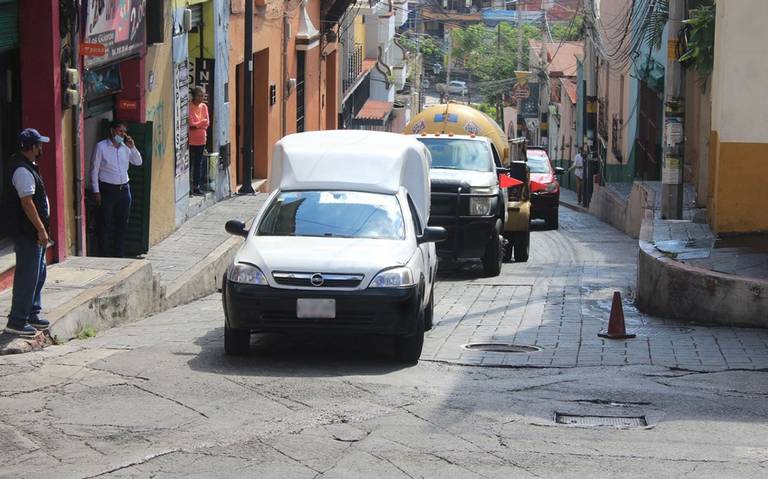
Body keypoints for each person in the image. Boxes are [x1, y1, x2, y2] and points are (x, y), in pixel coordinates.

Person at [1, 129, 52, 336]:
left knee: (38, 273)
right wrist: (41, 229)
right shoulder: (22, 170)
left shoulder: (27, 166)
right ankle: (18, 320)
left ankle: (32, 312)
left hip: (34, 234)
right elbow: (27, 202)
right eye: (39, 144)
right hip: (28, 233)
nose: (41, 148)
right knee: (27, 276)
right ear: (31, 147)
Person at [90, 120, 143, 257]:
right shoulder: (101, 147)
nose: (123, 134)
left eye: (124, 132)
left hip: (124, 189)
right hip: (107, 189)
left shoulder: (126, 147)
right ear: (112, 131)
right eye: (120, 131)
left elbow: (138, 162)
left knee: (122, 223)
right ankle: (104, 254)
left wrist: (132, 147)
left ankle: (119, 253)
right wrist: (96, 191)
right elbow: (94, 170)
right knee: (105, 223)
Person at [189, 85, 210, 195]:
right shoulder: (189, 107)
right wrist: (201, 123)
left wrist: (199, 124)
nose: (201, 98)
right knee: (190, 165)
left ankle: (196, 186)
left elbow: (207, 123)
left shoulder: (204, 107)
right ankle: (188, 188)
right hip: (191, 141)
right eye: (199, 96)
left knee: (198, 164)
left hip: (202, 140)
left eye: (203, 96)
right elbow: (191, 125)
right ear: (194, 96)